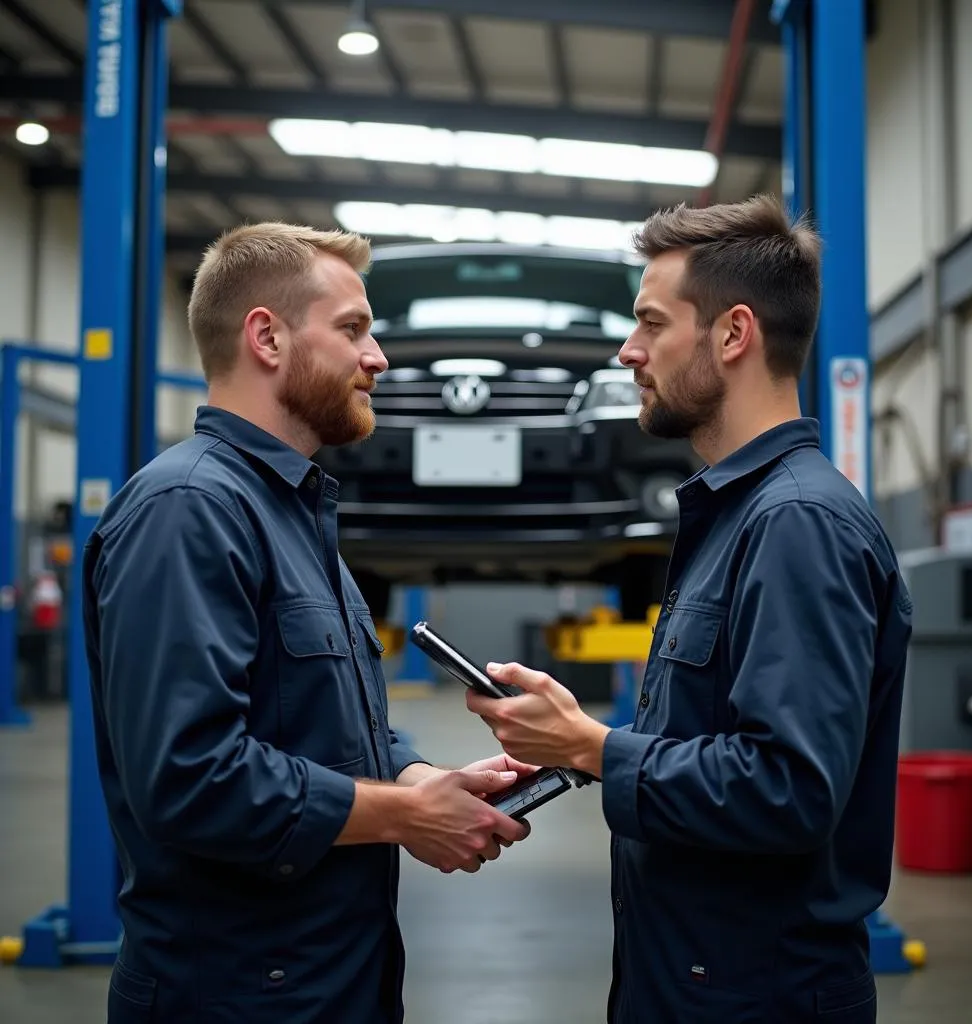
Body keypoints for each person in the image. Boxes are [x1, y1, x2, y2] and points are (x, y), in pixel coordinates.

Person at [467, 195, 913, 1023]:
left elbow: (788, 789)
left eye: (650, 323)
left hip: (757, 997)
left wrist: (597, 749)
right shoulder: (738, 518)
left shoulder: (796, 527)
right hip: (691, 980)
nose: (628, 350)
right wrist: (582, 743)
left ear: (733, 334)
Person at [82, 222, 533, 1024]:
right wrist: (403, 818)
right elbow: (187, 778)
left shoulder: (292, 511)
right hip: (233, 993)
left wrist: (422, 780)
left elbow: (320, 721)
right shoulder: (189, 510)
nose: (380, 358)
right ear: (267, 336)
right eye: (354, 329)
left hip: (329, 978)